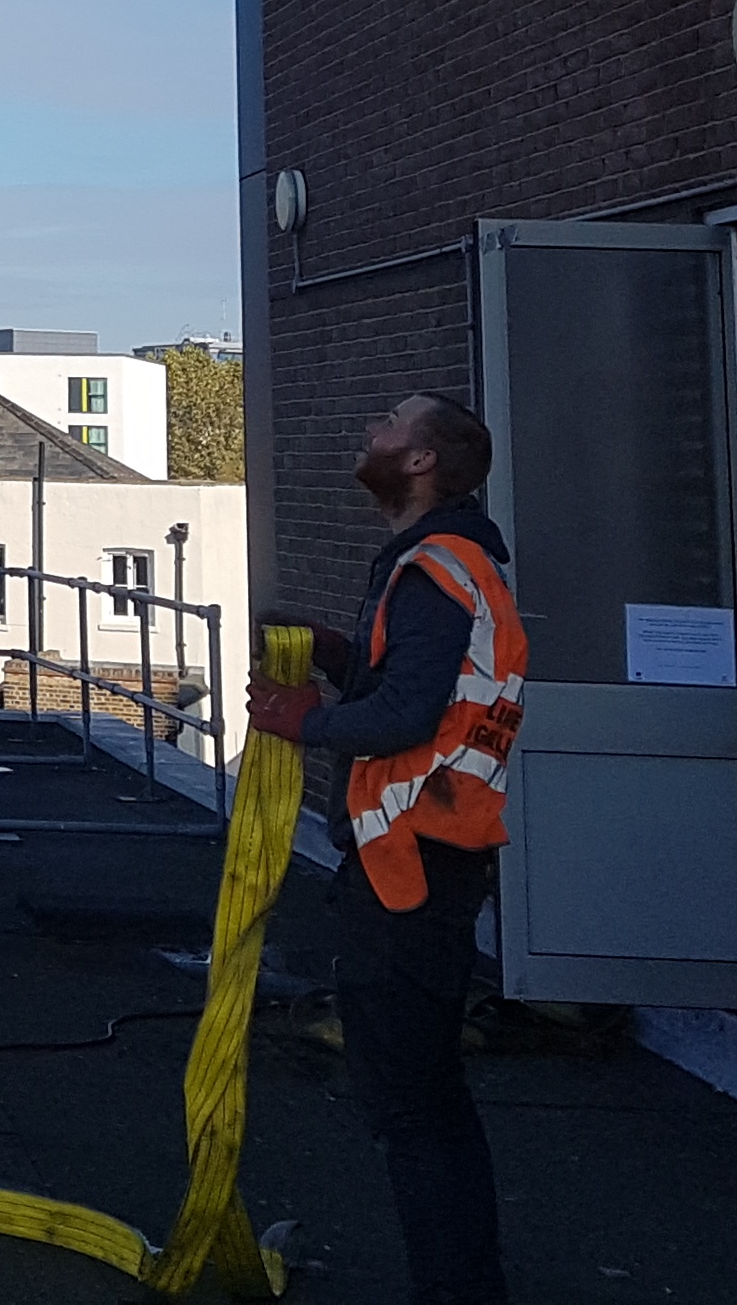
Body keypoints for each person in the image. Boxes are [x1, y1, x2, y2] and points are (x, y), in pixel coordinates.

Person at [247, 393, 526, 1305]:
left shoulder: (438, 567)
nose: (370, 433)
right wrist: (337, 657)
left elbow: (406, 715)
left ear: (421, 464)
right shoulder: (446, 561)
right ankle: (465, 1284)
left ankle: (457, 1290)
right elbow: (419, 691)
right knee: (428, 1097)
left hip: (409, 868)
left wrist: (306, 720)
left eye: (390, 426)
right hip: (426, 856)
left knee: (410, 1105)